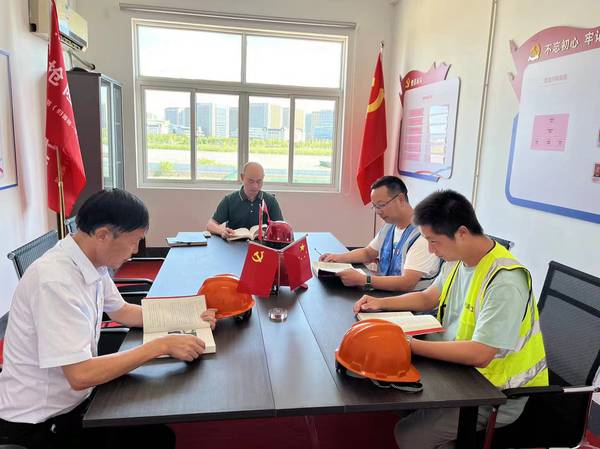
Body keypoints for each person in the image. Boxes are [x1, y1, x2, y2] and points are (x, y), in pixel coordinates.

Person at [0, 189, 217, 449]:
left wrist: (188, 316)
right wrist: (161, 346)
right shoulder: (55, 281)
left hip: (73, 402)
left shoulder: (90, 260)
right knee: (154, 438)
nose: (135, 251)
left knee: (157, 433)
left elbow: (122, 311)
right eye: (133, 241)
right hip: (39, 424)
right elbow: (80, 375)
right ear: (103, 235)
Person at [353, 190, 548, 449]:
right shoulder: (458, 259)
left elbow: (481, 354)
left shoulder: (505, 281)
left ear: (462, 233)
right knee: (392, 389)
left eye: (434, 241)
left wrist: (408, 344)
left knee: (408, 435)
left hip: (495, 393)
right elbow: (428, 297)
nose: (431, 250)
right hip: (459, 372)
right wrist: (380, 303)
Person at [319, 175, 441, 292]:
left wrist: (364, 280)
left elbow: (407, 283)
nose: (378, 211)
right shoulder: (390, 226)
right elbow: (368, 253)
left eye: (381, 205)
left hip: (409, 302)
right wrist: (337, 258)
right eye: (375, 206)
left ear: (400, 199)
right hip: (385, 293)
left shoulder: (424, 236)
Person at [206, 162, 283, 239]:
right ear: (242, 177)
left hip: (261, 244)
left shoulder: (271, 201)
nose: (255, 186)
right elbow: (210, 224)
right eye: (251, 181)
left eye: (259, 181)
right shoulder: (229, 200)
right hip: (233, 244)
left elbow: (281, 227)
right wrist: (222, 231)